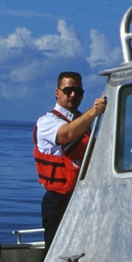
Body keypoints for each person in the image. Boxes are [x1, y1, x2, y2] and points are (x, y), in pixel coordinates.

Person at [33, 71, 107, 249]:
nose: (73, 95)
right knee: (56, 250)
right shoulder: (47, 122)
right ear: (57, 93)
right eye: (68, 90)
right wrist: (94, 112)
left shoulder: (82, 121)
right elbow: (66, 134)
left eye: (78, 92)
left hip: (81, 197)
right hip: (58, 200)